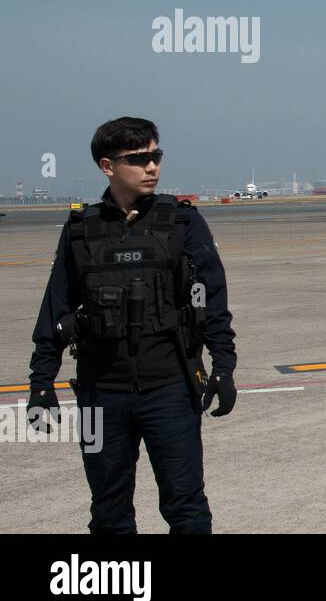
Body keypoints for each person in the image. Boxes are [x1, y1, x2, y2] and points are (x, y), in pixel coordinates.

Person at [27, 117, 237, 533]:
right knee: (108, 510)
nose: (153, 167)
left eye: (156, 156)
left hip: (170, 389)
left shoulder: (182, 222)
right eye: (140, 159)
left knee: (186, 504)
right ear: (108, 166)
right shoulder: (80, 230)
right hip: (101, 392)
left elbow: (212, 299)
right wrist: (41, 381)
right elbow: (54, 308)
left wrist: (225, 367)